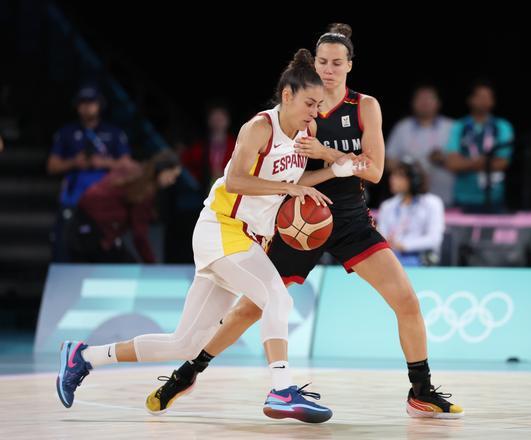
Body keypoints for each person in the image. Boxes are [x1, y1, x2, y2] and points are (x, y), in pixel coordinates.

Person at [149, 23, 463, 420]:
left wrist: (325, 151)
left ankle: (421, 390)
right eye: (322, 62)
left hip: (348, 218)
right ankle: (187, 371)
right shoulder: (300, 105)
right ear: (312, 65)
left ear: (350, 65)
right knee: (250, 309)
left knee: (406, 300)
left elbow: (376, 170)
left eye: (337, 63)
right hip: (297, 219)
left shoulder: (364, 106)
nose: (329, 70)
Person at [56, 49, 363, 423]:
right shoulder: (259, 129)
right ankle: (282, 389)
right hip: (221, 228)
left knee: (184, 343)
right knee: (277, 299)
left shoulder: (305, 132)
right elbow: (235, 180)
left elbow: (291, 183)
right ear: (287, 96)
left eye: (319, 105)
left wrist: (333, 172)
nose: (316, 112)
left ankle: (83, 356)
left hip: (248, 239)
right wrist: (293, 189)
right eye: (310, 103)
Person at [47, 84, 133, 261]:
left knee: (104, 245)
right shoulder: (67, 132)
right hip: (74, 198)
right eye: (83, 103)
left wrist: (103, 162)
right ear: (77, 106)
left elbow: (129, 165)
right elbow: (52, 165)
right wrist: (74, 162)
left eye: (91, 102)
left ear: (99, 105)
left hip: (106, 199)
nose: (87, 107)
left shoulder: (113, 132)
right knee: (66, 242)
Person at [68, 149, 182, 263]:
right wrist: (152, 265)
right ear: (162, 169)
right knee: (122, 268)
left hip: (86, 220)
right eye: (173, 175)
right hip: (91, 229)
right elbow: (139, 235)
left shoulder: (136, 171)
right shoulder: (145, 188)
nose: (173, 181)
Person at [444, 79, 514, 213]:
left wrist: (466, 163)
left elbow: (502, 163)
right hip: (463, 198)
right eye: (480, 96)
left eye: (488, 97)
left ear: (493, 101)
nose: (484, 101)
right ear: (470, 100)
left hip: (494, 198)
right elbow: (453, 164)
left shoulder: (502, 126)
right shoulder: (459, 126)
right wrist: (484, 162)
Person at [386, 85, 455, 204]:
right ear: (412, 103)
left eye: (429, 98)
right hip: (408, 199)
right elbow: (388, 162)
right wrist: (409, 166)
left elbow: (463, 161)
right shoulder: (402, 128)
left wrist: (443, 159)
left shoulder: (452, 127)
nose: (425, 102)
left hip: (446, 197)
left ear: (438, 103)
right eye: (420, 99)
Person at [378, 158, 445, 266]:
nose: (392, 179)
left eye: (400, 176)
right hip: (390, 258)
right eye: (393, 175)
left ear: (414, 179)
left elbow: (434, 239)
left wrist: (404, 245)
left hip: (420, 260)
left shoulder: (433, 203)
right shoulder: (387, 206)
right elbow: (382, 236)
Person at [180, 101, 236, 189]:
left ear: (227, 121)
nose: (218, 123)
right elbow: (186, 166)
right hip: (201, 189)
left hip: (228, 191)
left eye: (221, 119)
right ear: (208, 121)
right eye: (214, 119)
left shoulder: (237, 146)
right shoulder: (199, 146)